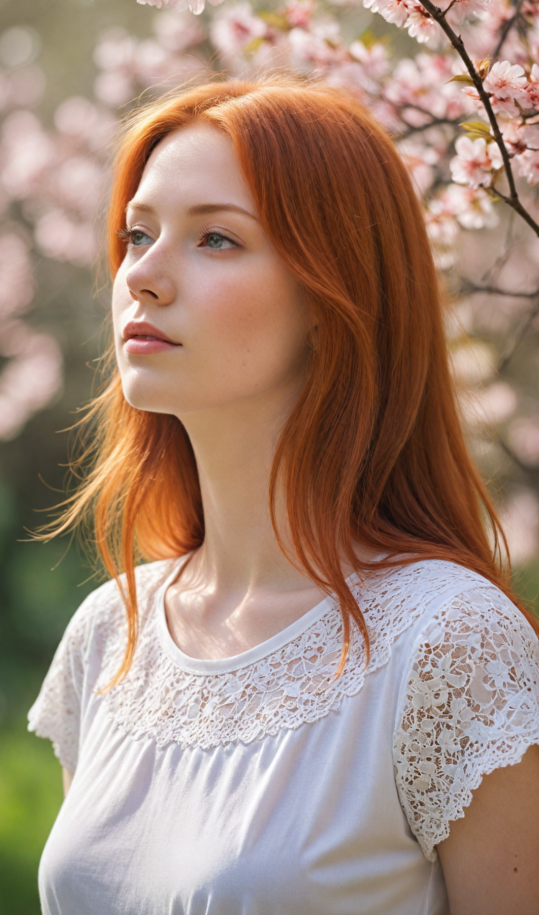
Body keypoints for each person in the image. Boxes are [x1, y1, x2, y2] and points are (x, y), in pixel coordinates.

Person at [28, 78, 539, 915]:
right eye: (137, 234)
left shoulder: (449, 645)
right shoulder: (108, 635)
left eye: (217, 239)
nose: (143, 277)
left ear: (333, 295)